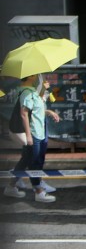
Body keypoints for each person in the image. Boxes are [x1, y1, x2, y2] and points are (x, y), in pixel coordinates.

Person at [4, 74, 59, 202]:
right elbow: (24, 114)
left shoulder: (32, 91)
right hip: (34, 133)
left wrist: (50, 112)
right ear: (30, 77)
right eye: (35, 75)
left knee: (27, 159)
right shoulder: (26, 92)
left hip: (38, 132)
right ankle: (38, 191)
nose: (38, 77)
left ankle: (11, 186)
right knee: (33, 161)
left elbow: (38, 110)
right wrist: (29, 136)